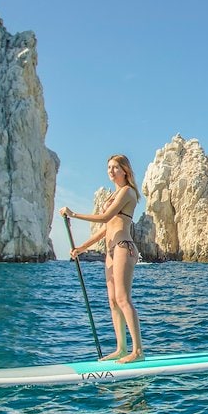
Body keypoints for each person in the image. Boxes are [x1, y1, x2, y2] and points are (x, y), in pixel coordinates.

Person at [61, 154, 144, 364]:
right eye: (109, 167)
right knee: (113, 301)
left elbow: (105, 218)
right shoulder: (114, 195)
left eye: (115, 167)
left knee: (124, 299)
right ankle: (121, 349)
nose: (111, 171)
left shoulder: (127, 192)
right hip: (110, 250)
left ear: (125, 170)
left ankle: (137, 351)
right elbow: (106, 228)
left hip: (123, 247)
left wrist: (74, 214)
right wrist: (82, 248)